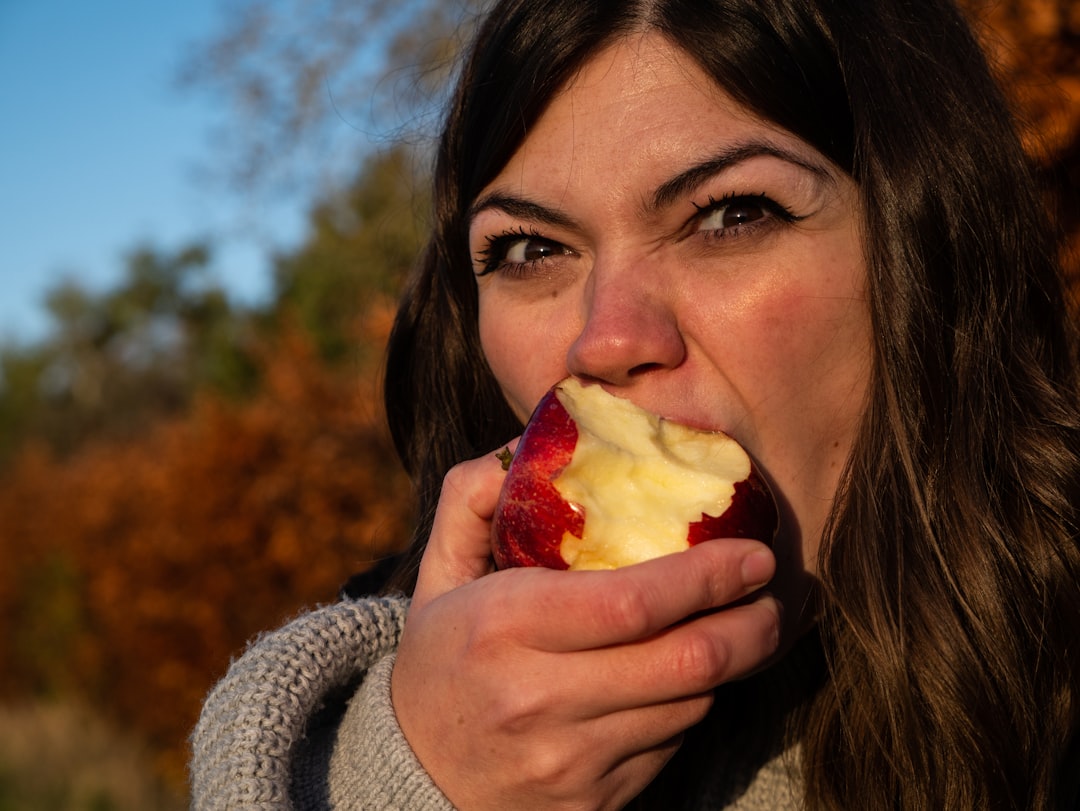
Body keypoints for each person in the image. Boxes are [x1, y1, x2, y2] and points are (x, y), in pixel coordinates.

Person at [189, 0, 1080, 807]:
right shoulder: (352, 751)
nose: (605, 339)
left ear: (927, 253)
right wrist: (410, 779)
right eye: (531, 248)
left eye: (732, 213)